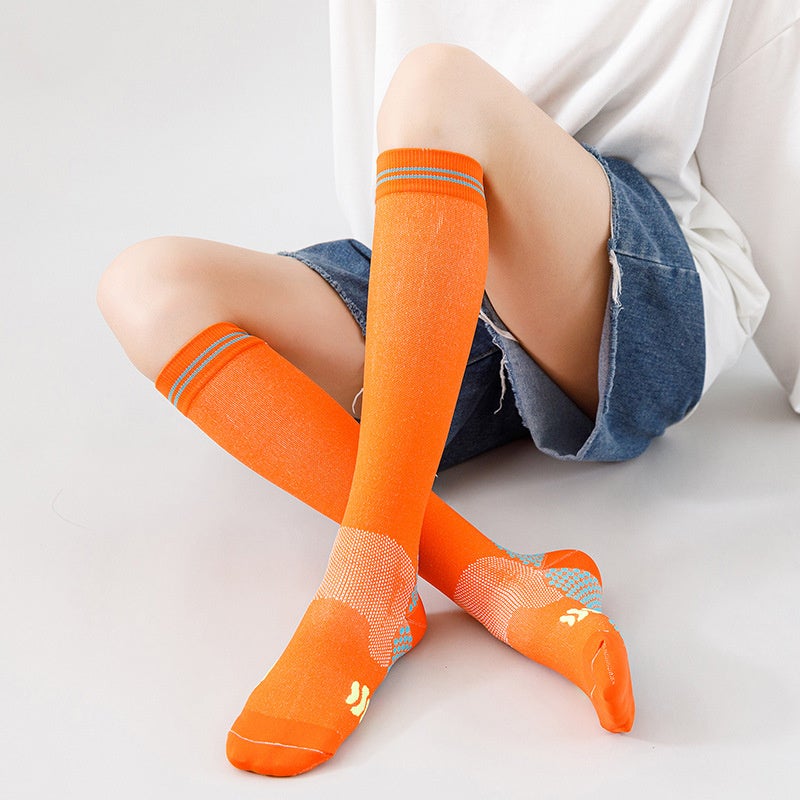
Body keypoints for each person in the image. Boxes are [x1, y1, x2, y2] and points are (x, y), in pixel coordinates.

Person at [96, 0, 784, 778]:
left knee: (438, 85)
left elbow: (769, 97)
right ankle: (490, 580)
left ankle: (364, 592)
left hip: (634, 301)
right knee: (146, 286)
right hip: (436, 255)